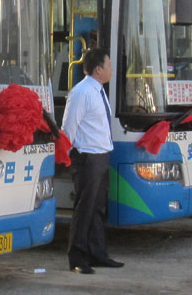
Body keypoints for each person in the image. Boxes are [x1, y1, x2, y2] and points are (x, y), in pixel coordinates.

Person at [63, 48, 122, 275]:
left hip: (101, 155)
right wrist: (71, 156)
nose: (111, 69)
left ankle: (97, 254)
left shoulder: (98, 91)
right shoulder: (81, 92)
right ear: (98, 69)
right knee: (84, 209)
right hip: (87, 157)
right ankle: (77, 258)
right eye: (109, 65)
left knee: (98, 208)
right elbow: (68, 127)